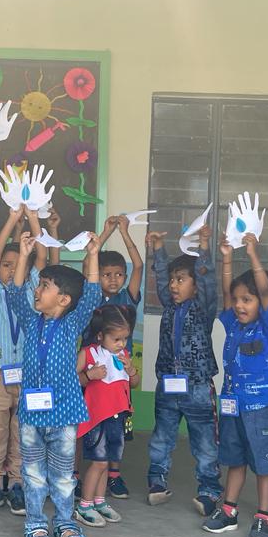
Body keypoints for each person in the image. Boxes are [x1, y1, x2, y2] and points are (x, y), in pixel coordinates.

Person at [6, 231, 101, 537]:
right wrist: (24, 255)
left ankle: (65, 523)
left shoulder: (73, 324)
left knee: (62, 475)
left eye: (44, 286)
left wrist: (93, 254)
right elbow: (15, 292)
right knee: (32, 474)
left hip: (64, 413)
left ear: (63, 300)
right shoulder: (31, 321)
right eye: (39, 284)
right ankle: (35, 524)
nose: (37, 289)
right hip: (32, 415)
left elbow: (91, 293)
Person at [202, 234, 268, 537]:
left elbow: (265, 291)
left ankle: (264, 517)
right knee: (234, 459)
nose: (238, 305)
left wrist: (252, 254)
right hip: (232, 405)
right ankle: (229, 510)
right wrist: (226, 257)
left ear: (262, 303)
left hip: (261, 408)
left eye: (247, 300)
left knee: (265, 463)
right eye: (237, 300)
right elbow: (226, 291)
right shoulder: (233, 323)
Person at [144, 226, 223, 516]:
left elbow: (208, 280)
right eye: (172, 280)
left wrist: (204, 247)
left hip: (198, 387)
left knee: (205, 442)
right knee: (161, 438)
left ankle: (209, 490)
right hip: (168, 384)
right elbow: (161, 279)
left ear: (195, 285)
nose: (174, 286)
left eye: (181, 280)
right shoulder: (169, 306)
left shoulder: (203, 308)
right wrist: (158, 249)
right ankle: (157, 482)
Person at [0, 205, 47, 516]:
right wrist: (13, 219)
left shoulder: (31, 289)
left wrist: (34, 219)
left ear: (28, 271)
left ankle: (17, 483)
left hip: (27, 375)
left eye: (17, 266)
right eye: (6, 265)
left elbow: (41, 256)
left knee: (21, 433)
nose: (8, 270)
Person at [92, 214, 145, 500]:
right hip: (94, 371)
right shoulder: (91, 296)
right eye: (106, 274)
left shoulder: (127, 297)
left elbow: (138, 264)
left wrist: (123, 231)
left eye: (119, 274)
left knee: (117, 424)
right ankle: (79, 474)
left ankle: (114, 475)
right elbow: (90, 259)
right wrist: (105, 231)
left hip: (120, 371)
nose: (113, 279)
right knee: (89, 421)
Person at [75, 305, 140, 527]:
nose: (122, 344)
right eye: (116, 339)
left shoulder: (124, 356)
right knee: (99, 463)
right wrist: (89, 375)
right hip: (97, 419)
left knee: (107, 460)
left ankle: (100, 501)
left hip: (117, 418)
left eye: (125, 339)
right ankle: (84, 505)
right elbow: (70, 379)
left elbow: (134, 383)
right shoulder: (89, 354)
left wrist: (131, 370)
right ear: (100, 335)